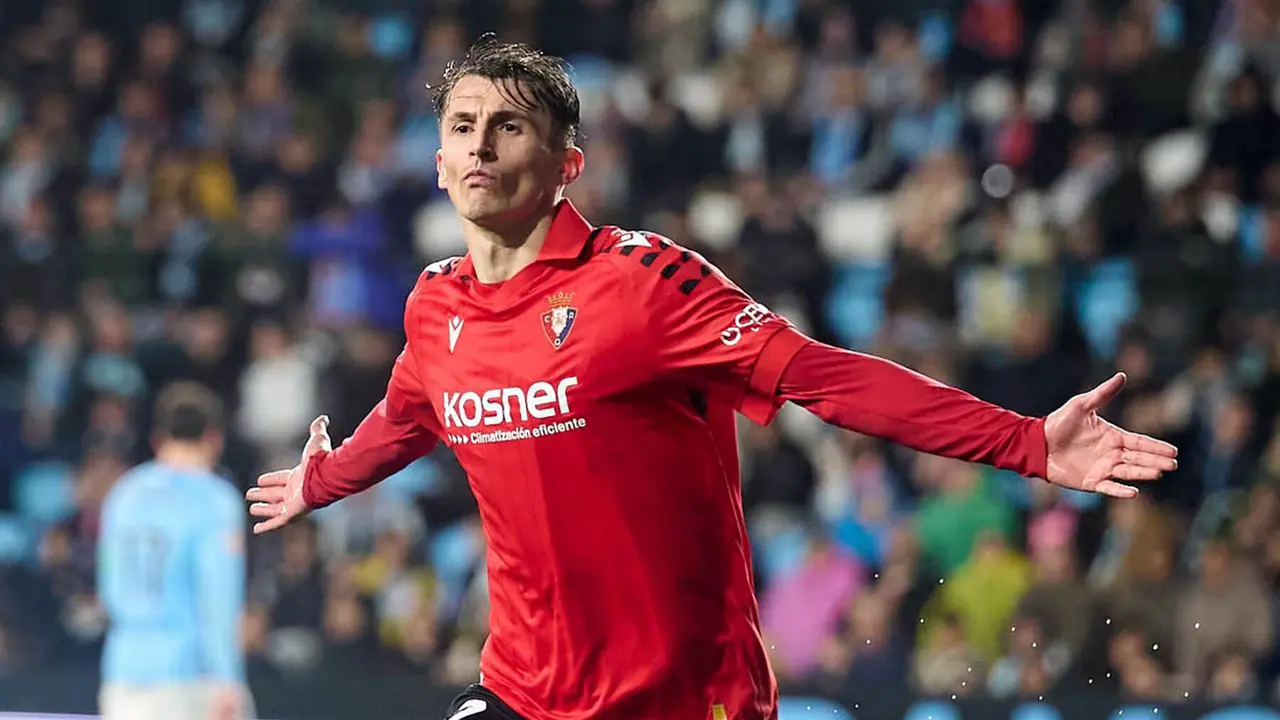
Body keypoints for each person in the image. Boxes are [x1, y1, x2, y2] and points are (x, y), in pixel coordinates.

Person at [245, 37, 1178, 720]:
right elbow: (408, 414)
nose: (482, 144)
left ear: (566, 164)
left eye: (509, 126)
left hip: (687, 699)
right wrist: (321, 482)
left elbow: (824, 377)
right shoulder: (433, 307)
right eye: (462, 127)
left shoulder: (644, 286)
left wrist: (1023, 441)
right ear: (441, 163)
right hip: (523, 690)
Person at [99, 382, 251, 720]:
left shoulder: (123, 494)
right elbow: (218, 597)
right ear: (215, 438)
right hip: (189, 676)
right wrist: (227, 677)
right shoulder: (215, 500)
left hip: (123, 672)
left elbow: (108, 587)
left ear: (158, 437)